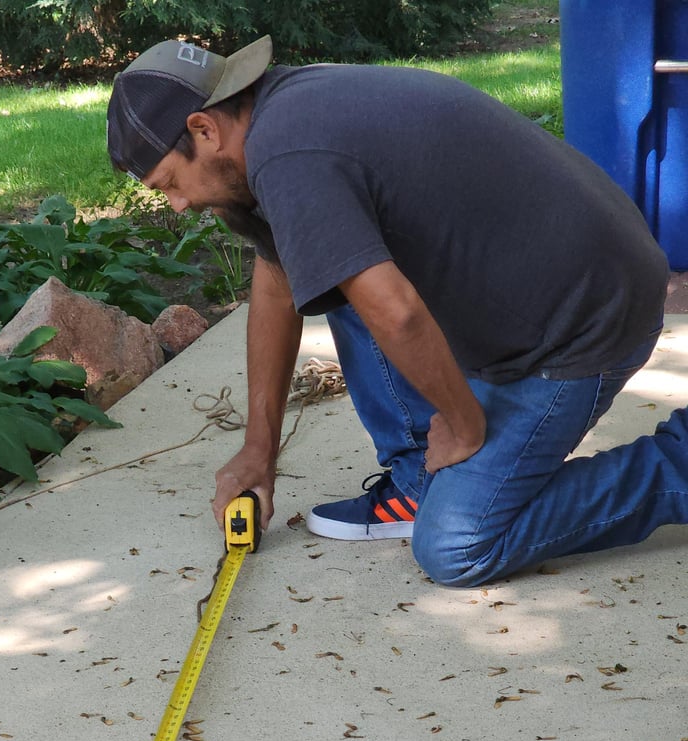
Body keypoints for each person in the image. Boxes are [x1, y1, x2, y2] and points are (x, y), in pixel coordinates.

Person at [106, 36, 688, 586]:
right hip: (557, 277)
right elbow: (280, 281)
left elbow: (399, 314)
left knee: (458, 545)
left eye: (170, 183)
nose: (177, 204)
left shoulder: (289, 155)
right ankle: (418, 479)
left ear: (204, 129)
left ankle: (680, 463)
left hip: (582, 324)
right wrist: (259, 451)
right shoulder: (276, 116)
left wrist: (463, 424)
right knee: (331, 265)